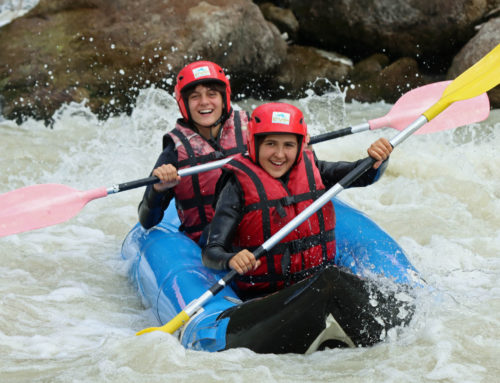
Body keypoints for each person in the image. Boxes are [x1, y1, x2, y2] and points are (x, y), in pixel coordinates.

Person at [202, 102, 393, 299]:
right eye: (270, 144)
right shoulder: (236, 186)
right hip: (264, 296)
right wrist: (232, 259)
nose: (279, 154)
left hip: (316, 280)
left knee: (335, 281)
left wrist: (378, 159)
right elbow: (211, 252)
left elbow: (364, 175)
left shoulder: (314, 169)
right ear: (253, 144)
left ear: (300, 146)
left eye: (288, 145)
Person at [138, 61, 249, 244]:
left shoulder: (252, 129)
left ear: (224, 98)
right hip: (211, 243)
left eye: (212, 94)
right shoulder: (174, 151)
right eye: (195, 97)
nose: (204, 102)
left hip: (256, 232)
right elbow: (147, 221)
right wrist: (158, 189)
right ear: (185, 104)